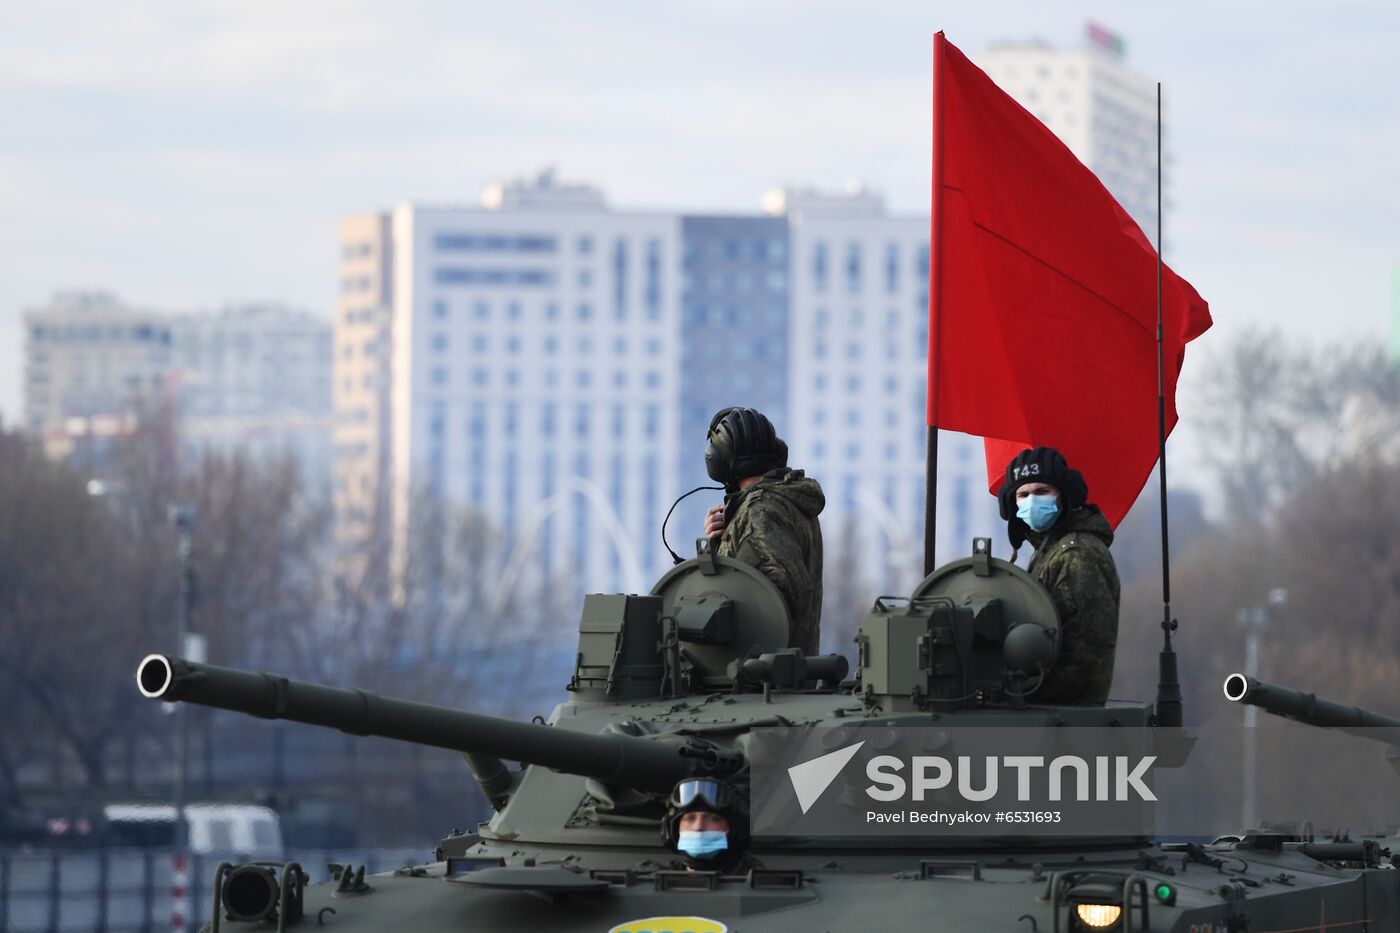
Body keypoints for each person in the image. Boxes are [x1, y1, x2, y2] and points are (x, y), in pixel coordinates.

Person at [997, 446, 1120, 705]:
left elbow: (1084, 657)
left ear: (1063, 496)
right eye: (1023, 494)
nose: (1032, 501)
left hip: (1066, 722)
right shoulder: (1048, 550)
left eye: (1042, 491)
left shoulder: (1078, 555)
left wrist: (1015, 695)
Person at [700, 407, 824, 656]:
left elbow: (774, 598)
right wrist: (718, 544)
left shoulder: (761, 509)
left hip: (760, 676)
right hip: (776, 672)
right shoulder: (783, 502)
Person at [662, 777, 751, 873]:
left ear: (733, 830)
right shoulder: (653, 879)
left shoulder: (760, 882)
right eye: (690, 819)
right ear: (674, 829)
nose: (698, 827)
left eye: (712, 819)